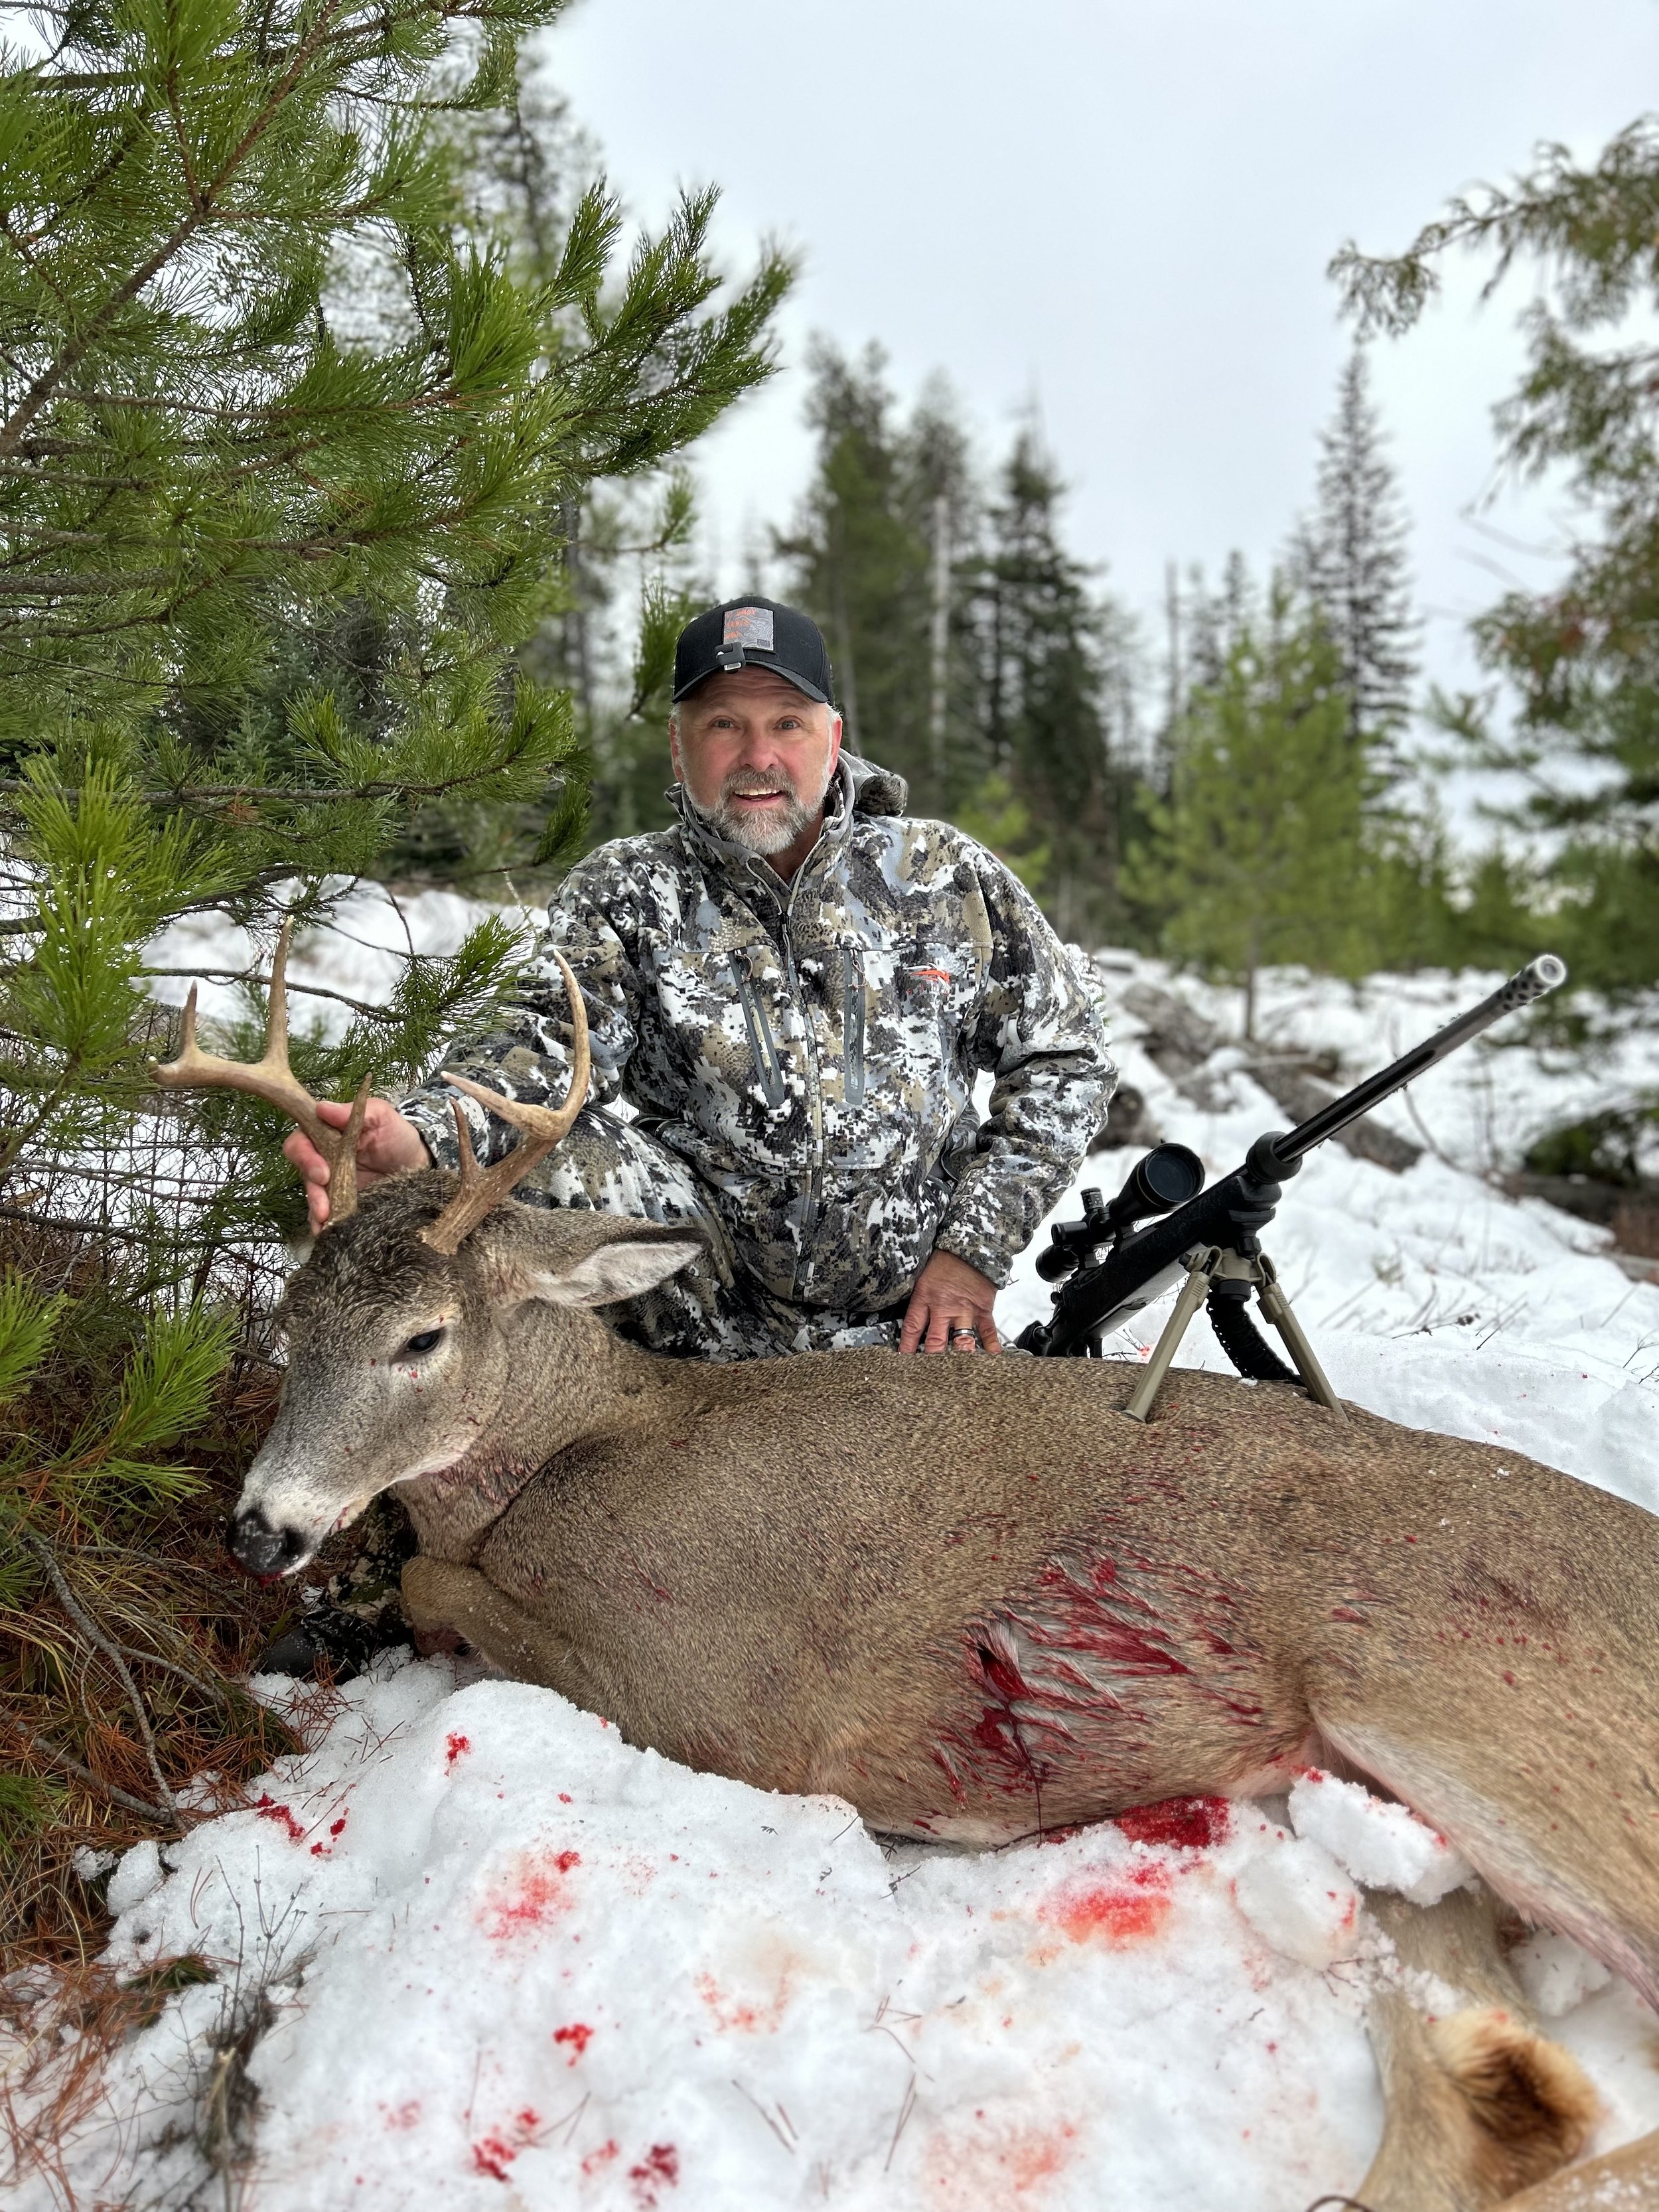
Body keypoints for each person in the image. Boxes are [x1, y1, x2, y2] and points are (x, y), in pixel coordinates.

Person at [286, 596, 1115, 1364]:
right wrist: (425, 1133)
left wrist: (970, 1252)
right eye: (724, 725)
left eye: (786, 723)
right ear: (679, 748)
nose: (758, 757)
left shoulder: (941, 876)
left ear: (833, 736)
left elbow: (1065, 1061)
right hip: (702, 1304)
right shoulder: (627, 890)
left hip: (912, 1311)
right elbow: (540, 1044)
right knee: (558, 1151)